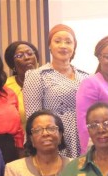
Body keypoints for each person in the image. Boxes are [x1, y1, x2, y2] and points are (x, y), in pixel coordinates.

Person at [23, 24, 90, 158]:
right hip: (53, 139)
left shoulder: (85, 76)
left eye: (68, 42)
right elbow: (33, 118)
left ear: (74, 46)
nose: (63, 46)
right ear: (49, 45)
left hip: (84, 138)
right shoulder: (37, 75)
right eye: (57, 41)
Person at [4, 40, 39, 130]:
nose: (27, 58)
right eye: (19, 56)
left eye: (30, 53)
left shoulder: (48, 81)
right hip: (18, 140)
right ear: (12, 64)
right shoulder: (6, 87)